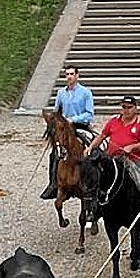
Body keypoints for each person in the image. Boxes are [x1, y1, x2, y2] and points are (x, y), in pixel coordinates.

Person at [40, 65, 94, 200]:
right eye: (67, 75)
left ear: (77, 76)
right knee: (55, 152)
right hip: (64, 128)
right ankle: (53, 184)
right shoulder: (61, 93)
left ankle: (91, 180)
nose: (69, 77)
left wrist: (73, 119)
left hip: (80, 126)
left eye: (71, 74)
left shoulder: (86, 92)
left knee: (91, 146)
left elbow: (89, 113)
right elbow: (57, 111)